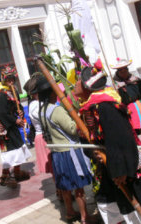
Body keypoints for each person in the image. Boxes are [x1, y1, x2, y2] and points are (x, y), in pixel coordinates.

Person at [74, 65, 141, 224]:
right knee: (111, 206)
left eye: (79, 81)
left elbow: (122, 139)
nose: (76, 84)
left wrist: (121, 172)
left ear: (87, 86)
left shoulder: (105, 106)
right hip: (109, 167)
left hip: (125, 167)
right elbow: (90, 140)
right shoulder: (89, 108)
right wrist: (95, 154)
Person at [28, 73, 93, 223]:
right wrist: (77, 118)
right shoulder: (55, 110)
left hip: (57, 153)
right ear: (51, 93)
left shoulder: (42, 110)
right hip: (69, 152)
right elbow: (71, 128)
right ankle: (84, 216)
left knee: (65, 185)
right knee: (79, 186)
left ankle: (69, 212)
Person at [0, 66, 31, 187]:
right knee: (9, 152)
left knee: (18, 148)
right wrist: (15, 120)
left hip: (13, 125)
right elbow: (2, 113)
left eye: (12, 78)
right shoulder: (0, 95)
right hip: (5, 127)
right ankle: (5, 176)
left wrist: (20, 114)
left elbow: (16, 107)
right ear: (4, 79)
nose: (11, 81)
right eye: (8, 79)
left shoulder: (13, 90)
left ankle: (17, 172)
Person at [111, 58, 141, 149]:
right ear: (118, 72)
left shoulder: (136, 80)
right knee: (131, 129)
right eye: (121, 70)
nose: (123, 72)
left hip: (139, 105)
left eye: (125, 69)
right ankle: (137, 147)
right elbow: (115, 99)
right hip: (126, 108)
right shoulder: (115, 84)